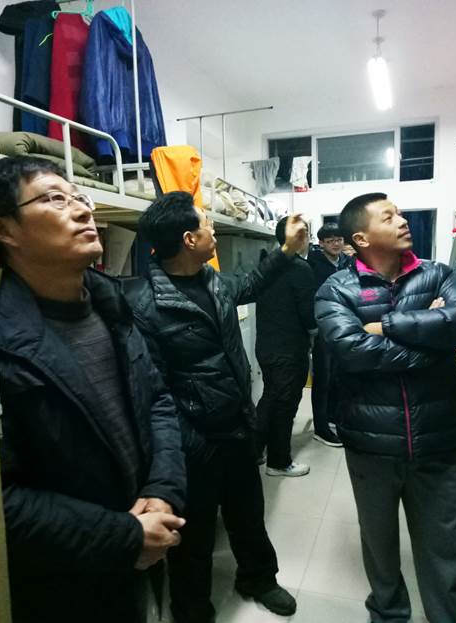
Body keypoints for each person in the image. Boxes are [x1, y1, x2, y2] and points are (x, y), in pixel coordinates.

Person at [0, 157, 186, 623]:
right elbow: (6, 501)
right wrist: (123, 536)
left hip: (142, 546)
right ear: (5, 230)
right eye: (54, 199)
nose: (84, 210)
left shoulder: (111, 305)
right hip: (63, 582)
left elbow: (157, 401)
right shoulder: (7, 340)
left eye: (79, 197)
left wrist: (162, 490)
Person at [125, 191, 308, 623]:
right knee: (194, 539)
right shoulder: (145, 304)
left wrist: (286, 249)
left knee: (249, 517)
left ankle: (258, 579)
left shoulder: (215, 283)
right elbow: (153, 389)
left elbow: (253, 282)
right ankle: (192, 611)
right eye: (206, 224)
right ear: (189, 239)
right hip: (194, 443)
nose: (212, 230)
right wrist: (190, 443)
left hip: (237, 427)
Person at [315, 192, 456, 623]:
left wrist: (386, 325)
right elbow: (353, 352)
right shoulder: (336, 290)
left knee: (449, 546)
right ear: (361, 238)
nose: (403, 220)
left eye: (401, 213)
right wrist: (433, 345)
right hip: (371, 443)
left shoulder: (438, 274)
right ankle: (389, 614)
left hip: (438, 437)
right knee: (380, 544)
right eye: (389, 217)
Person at [255, 216, 316, 477]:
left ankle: (255, 450)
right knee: (286, 405)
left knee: (270, 398)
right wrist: (316, 334)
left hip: (266, 346)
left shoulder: (267, 264)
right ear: (299, 238)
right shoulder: (301, 268)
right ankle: (279, 462)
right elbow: (308, 313)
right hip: (289, 349)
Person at [307, 223, 351, 446]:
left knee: (338, 375)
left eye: (339, 239)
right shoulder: (312, 265)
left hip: (343, 326)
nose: (335, 244)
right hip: (322, 328)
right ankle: (321, 428)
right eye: (330, 240)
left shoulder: (347, 262)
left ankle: (332, 417)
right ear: (321, 243)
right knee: (322, 378)